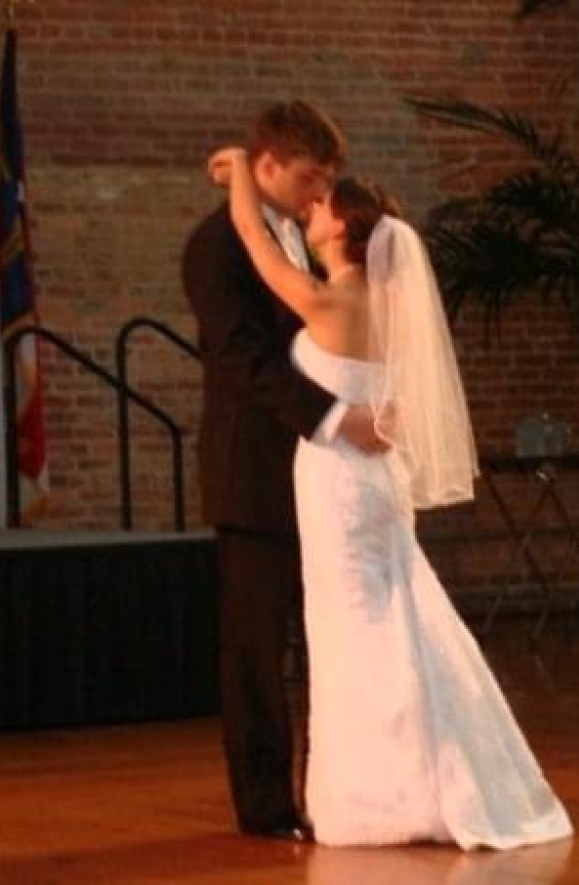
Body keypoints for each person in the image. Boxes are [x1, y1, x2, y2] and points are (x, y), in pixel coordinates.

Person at [207, 144, 574, 850]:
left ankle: (386, 792)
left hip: (340, 484)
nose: (311, 209)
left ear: (345, 228)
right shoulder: (390, 305)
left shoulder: (331, 301)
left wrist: (240, 175)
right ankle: (432, 771)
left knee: (355, 626)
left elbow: (254, 241)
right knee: (397, 611)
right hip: (379, 484)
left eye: (323, 205)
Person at [182, 101, 385, 843]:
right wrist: (334, 418)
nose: (320, 194)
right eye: (310, 177)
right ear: (266, 166)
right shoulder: (216, 246)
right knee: (257, 652)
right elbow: (242, 359)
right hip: (255, 475)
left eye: (328, 179)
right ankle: (266, 806)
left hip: (324, 478)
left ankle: (341, 790)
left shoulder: (303, 240)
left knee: (334, 635)